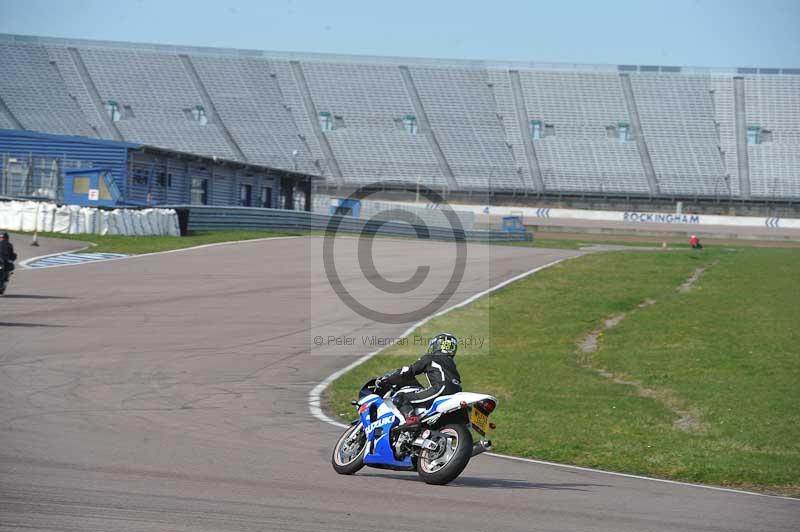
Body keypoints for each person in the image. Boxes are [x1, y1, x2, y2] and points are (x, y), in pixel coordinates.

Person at [376, 332, 462, 427]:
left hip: (441, 389)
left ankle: (411, 421)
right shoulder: (451, 364)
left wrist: (388, 379)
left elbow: (410, 371)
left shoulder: (430, 358)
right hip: (457, 391)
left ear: (436, 345)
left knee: (401, 397)